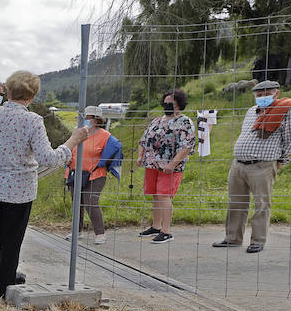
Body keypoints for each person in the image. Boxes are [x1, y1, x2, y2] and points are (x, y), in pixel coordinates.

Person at [0, 70, 89, 298]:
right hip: (19, 193)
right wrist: (73, 141)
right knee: (10, 245)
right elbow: (49, 159)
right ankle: (5, 292)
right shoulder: (33, 121)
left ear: (8, 92)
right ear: (32, 96)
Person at [212, 79, 291, 254]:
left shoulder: (285, 110)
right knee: (236, 203)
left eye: (266, 94)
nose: (262, 98)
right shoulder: (252, 111)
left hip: (263, 164)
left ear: (276, 93)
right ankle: (232, 238)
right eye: (258, 95)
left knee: (261, 203)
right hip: (238, 165)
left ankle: (257, 241)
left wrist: (282, 160)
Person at [135, 88, 195, 243]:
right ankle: (156, 226)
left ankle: (166, 231)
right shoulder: (157, 120)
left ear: (179, 105)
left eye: (172, 103)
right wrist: (140, 155)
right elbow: (144, 139)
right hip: (152, 164)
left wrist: (173, 163)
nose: (168, 105)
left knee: (164, 195)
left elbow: (187, 145)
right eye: (166, 102)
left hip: (170, 166)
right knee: (155, 194)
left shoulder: (185, 121)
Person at [64, 105, 124, 245]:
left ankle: (100, 233)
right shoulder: (77, 133)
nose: (85, 120)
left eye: (88, 118)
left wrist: (103, 164)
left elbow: (115, 151)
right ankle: (77, 231)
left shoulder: (105, 136)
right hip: (75, 173)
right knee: (77, 204)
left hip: (95, 175)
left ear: (97, 120)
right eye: (84, 117)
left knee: (91, 202)